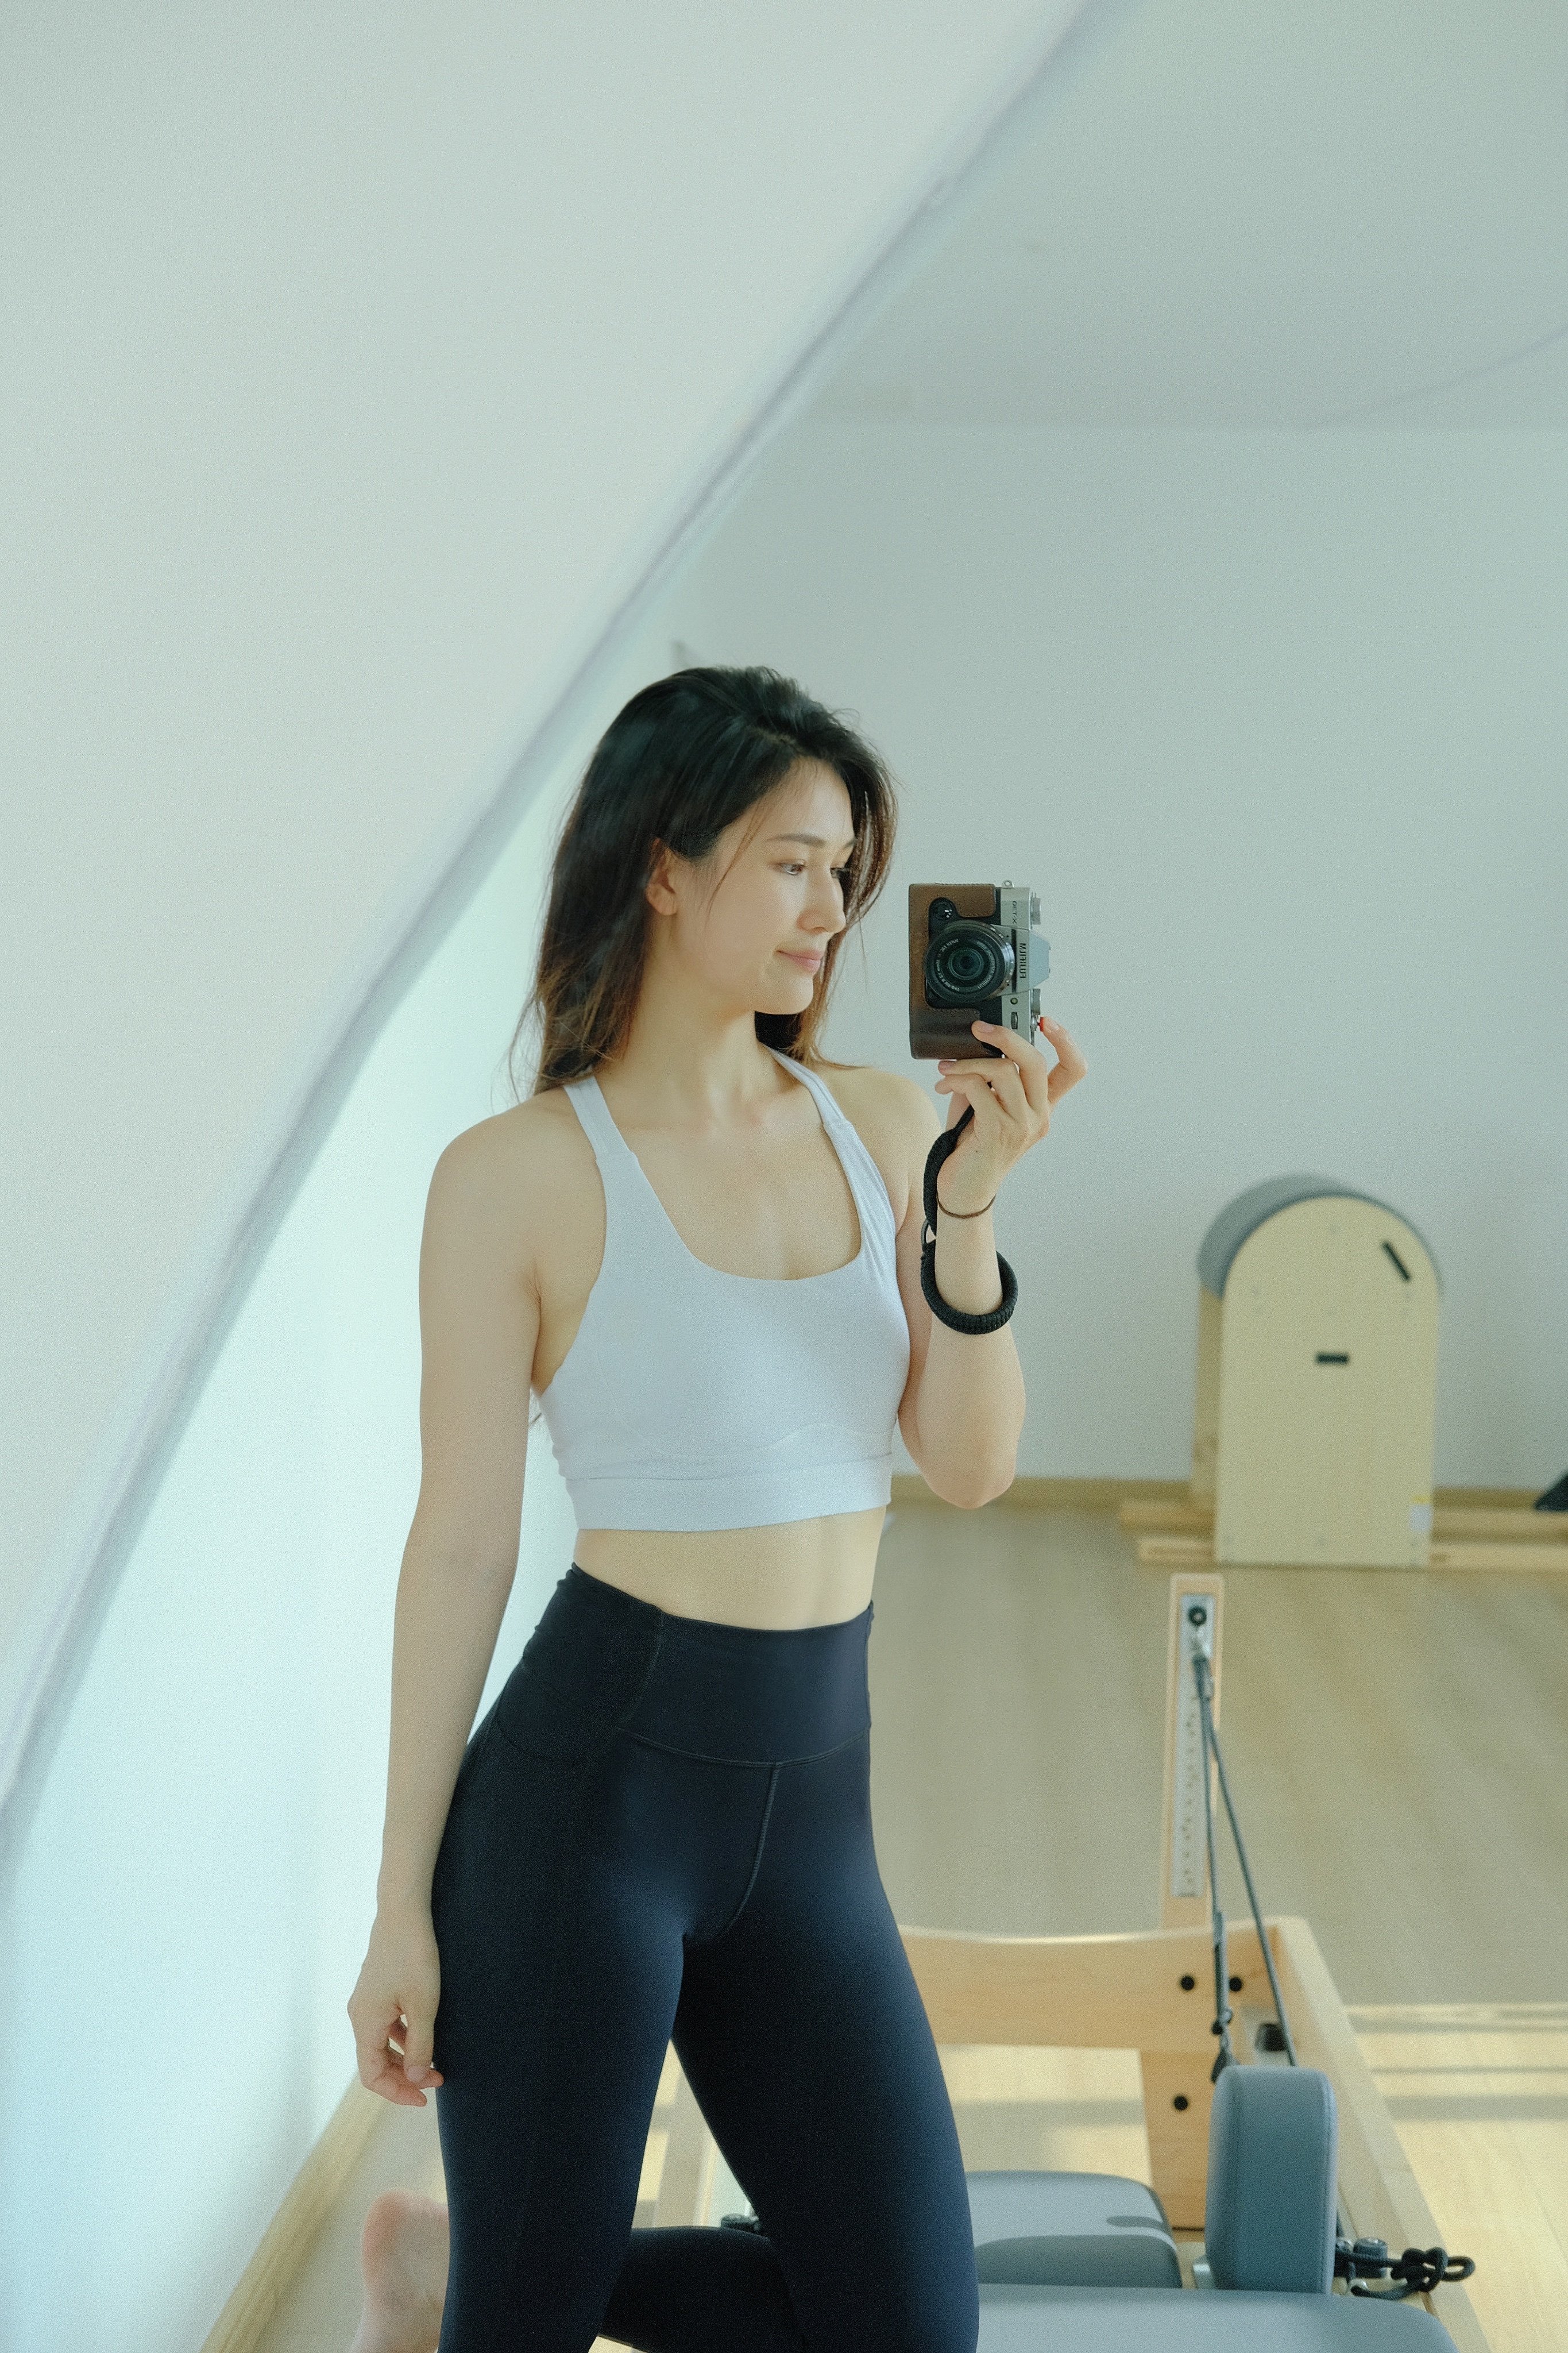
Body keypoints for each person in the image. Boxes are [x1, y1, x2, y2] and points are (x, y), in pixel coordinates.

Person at [345, 665, 1086, 2353]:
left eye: (844, 872)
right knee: (525, 2328)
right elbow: (459, 1545)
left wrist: (968, 1210)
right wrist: (399, 1904)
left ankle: (448, 2265)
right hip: (588, 1811)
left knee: (911, 2332)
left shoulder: (884, 1124)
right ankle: (474, 2284)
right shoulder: (517, 1176)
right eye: (792, 865)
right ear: (664, 868)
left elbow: (970, 1467)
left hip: (815, 1815)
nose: (831, 910)